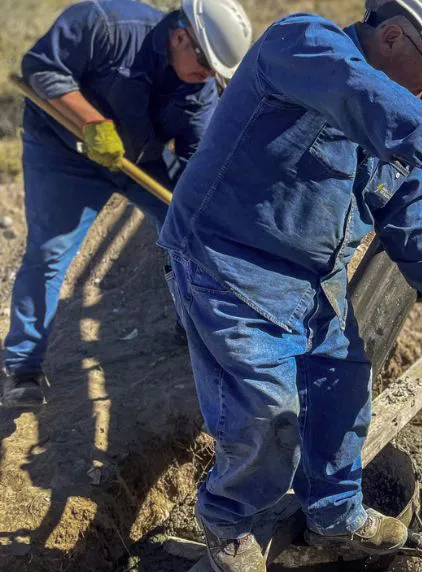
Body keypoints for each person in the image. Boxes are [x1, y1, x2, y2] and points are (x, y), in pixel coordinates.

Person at [157, 0, 422, 572]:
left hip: (310, 279)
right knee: (267, 407)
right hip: (228, 259)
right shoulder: (305, 45)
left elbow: (405, 210)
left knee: (341, 389)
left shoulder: (389, 114)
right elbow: (360, 93)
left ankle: (336, 514)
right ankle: (228, 517)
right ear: (395, 38)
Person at [2, 0, 252, 408]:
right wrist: (92, 123)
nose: (207, 76)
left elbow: (198, 162)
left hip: (141, 158)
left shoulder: (199, 88)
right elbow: (40, 68)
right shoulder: (106, 24)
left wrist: (207, 210)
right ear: (180, 36)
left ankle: (192, 325)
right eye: (206, 64)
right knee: (49, 252)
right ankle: (24, 367)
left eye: (214, 73)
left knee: (185, 227)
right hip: (64, 153)